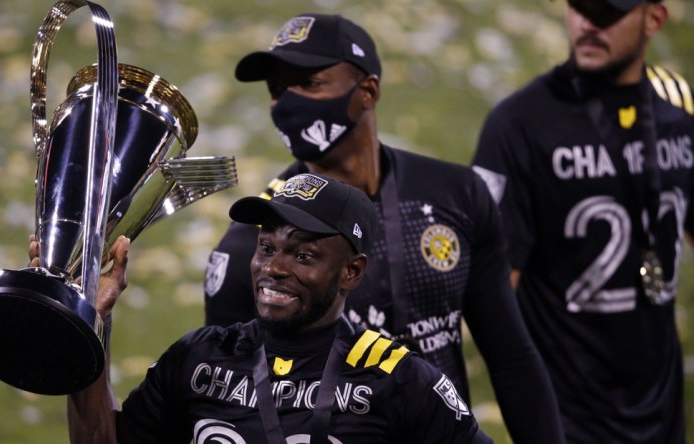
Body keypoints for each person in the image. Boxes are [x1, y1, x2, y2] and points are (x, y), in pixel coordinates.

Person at [203, 12, 565, 444]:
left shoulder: (457, 195)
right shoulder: (256, 246)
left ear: (368, 91)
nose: (288, 102)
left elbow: (511, 358)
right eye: (278, 90)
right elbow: (232, 409)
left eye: (309, 83)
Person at [60, 173, 493, 443]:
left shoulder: (396, 379)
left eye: (303, 256)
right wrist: (87, 322)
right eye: (267, 247)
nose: (275, 268)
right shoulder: (200, 358)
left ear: (351, 272)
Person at [471, 0, 692, 442]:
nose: (588, 24)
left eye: (608, 12)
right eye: (580, 7)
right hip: (568, 421)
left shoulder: (679, 115)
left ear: (654, 18)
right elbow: (490, 295)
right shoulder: (518, 124)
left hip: (663, 412)